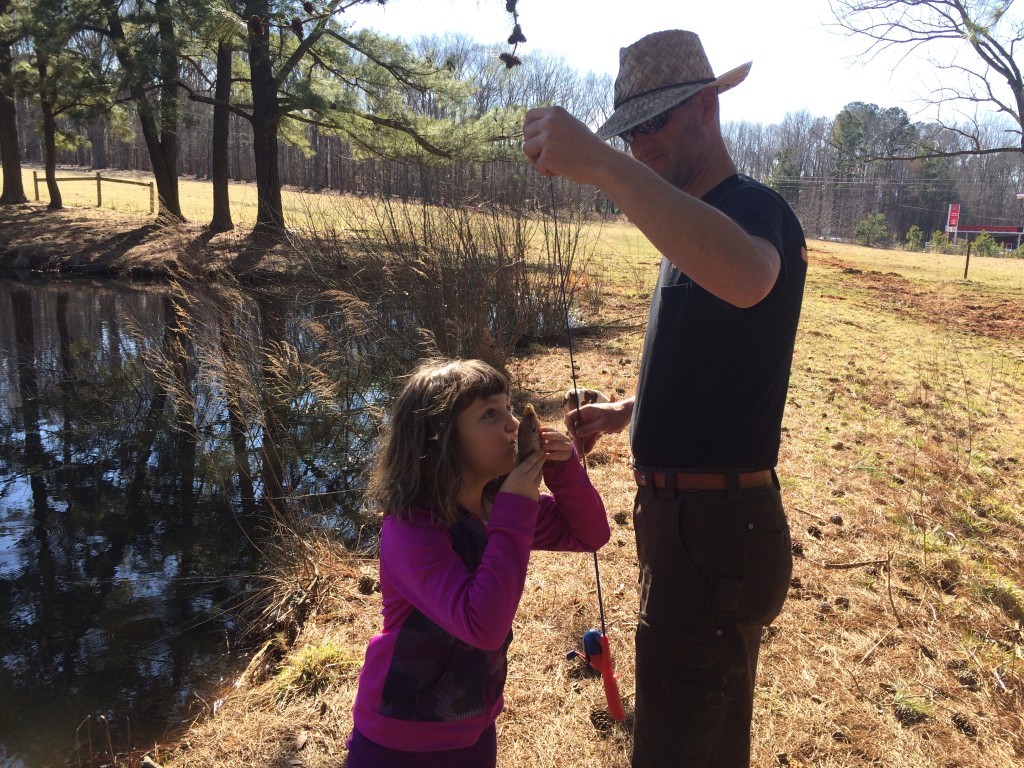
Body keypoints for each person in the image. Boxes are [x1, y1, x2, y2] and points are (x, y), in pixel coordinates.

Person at [523, 30, 807, 768]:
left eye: (656, 122)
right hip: (695, 532)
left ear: (708, 108)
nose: (641, 144)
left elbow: (749, 276)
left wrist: (601, 165)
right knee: (706, 742)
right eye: (629, 130)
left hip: (715, 535)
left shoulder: (754, 209)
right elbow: (714, 364)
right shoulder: (685, 227)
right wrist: (626, 415)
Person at [346, 358, 610, 768]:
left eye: (508, 407)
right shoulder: (413, 528)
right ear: (439, 440)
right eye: (490, 413)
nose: (512, 423)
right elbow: (482, 627)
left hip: (473, 724)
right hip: (398, 739)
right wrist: (517, 505)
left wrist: (564, 472)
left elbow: (590, 534)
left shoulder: (493, 506)